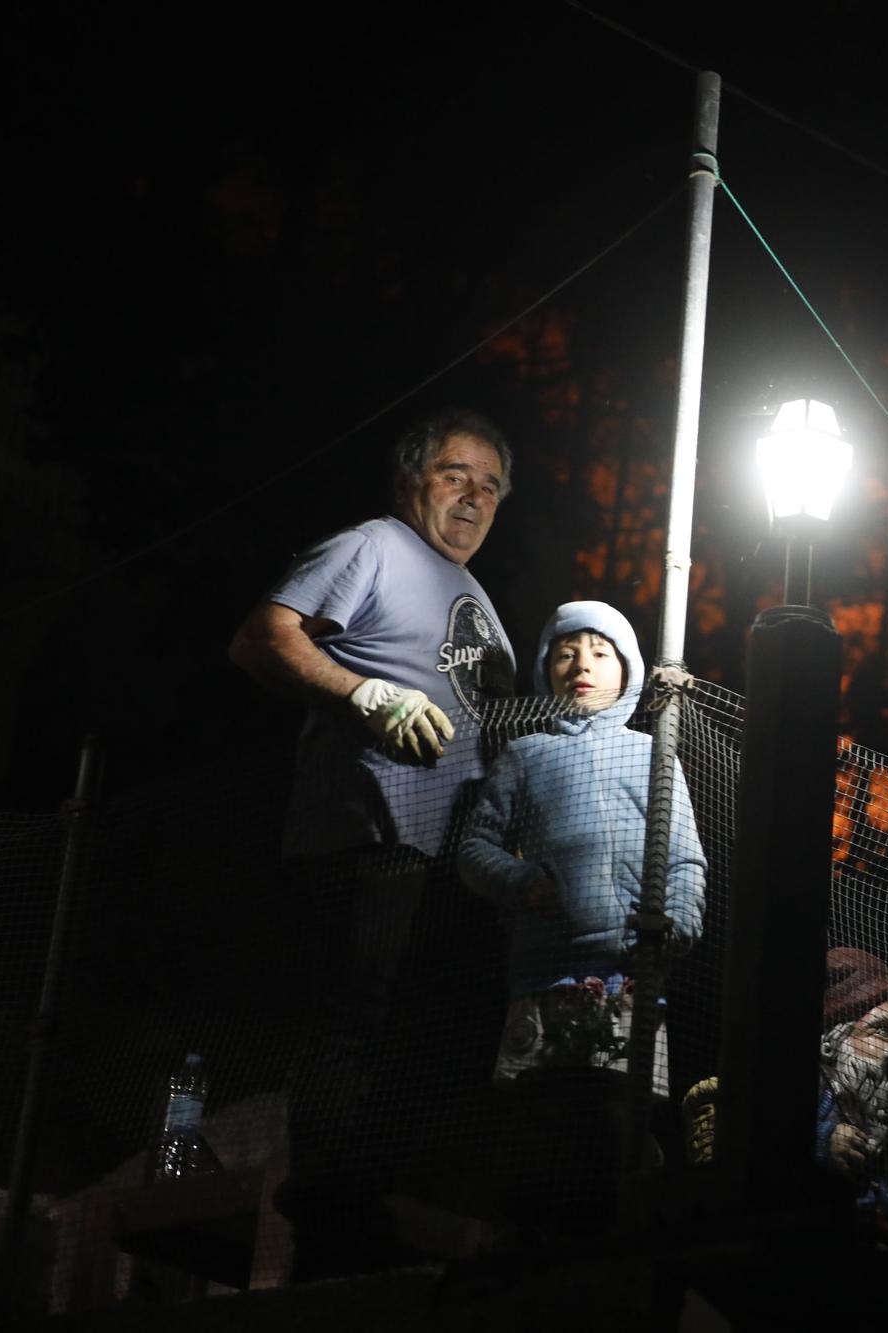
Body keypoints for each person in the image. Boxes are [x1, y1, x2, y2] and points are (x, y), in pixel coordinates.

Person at [227, 409, 517, 1257]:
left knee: (427, 1039)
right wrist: (363, 694)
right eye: (455, 474)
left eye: (490, 485)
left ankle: (383, 1199)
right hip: (372, 839)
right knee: (354, 1018)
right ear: (409, 479)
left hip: (456, 862)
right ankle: (324, 1200)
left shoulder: (479, 601)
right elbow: (259, 638)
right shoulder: (374, 546)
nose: (473, 497)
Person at [456, 600, 707, 1095]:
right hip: (545, 977)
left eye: (599, 652)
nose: (582, 665)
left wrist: (677, 926)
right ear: (546, 671)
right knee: (544, 1117)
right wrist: (523, 882)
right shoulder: (526, 754)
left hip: (634, 978)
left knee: (623, 1121)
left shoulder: (655, 754)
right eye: (565, 654)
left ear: (628, 670)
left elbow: (685, 859)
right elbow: (474, 848)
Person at [817, 947, 888, 1253]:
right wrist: (824, 1141)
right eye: (883, 1031)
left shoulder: (887, 1116)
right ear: (832, 1042)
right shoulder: (818, 1091)